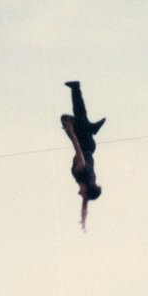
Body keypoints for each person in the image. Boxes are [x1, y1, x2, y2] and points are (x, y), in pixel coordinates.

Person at [61, 80, 105, 228]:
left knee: (80, 114)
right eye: (82, 194)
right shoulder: (81, 171)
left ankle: (75, 87)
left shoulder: (87, 184)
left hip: (90, 147)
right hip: (83, 143)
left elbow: (85, 207)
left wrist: (83, 221)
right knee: (66, 119)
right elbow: (77, 148)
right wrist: (70, 131)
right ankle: (91, 128)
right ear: (86, 190)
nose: (80, 195)